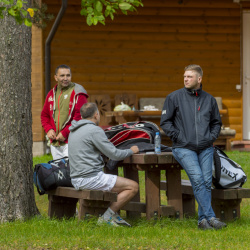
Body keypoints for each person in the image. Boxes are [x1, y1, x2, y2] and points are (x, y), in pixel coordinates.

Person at [160, 64, 227, 230]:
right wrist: (179, 137)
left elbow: (216, 123)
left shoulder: (209, 100)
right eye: (184, 76)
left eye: (189, 76)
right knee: (197, 179)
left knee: (205, 182)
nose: (185, 79)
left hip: (205, 147)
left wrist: (210, 137)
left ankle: (202, 222)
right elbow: (165, 122)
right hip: (183, 147)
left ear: (199, 79)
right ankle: (211, 217)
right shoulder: (173, 97)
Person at [68, 102, 139, 227]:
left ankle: (113, 215)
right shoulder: (94, 130)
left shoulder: (74, 130)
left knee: (116, 184)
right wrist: (131, 150)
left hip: (76, 178)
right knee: (132, 187)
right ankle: (106, 217)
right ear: (96, 115)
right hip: (90, 178)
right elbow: (114, 154)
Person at [41, 64, 88, 160]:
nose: (65, 78)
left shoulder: (78, 92)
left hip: (73, 141)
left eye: (68, 75)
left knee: (71, 171)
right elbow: (44, 115)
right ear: (56, 77)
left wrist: (65, 132)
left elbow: (80, 117)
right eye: (62, 76)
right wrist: (48, 129)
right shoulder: (51, 94)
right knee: (60, 172)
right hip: (55, 143)